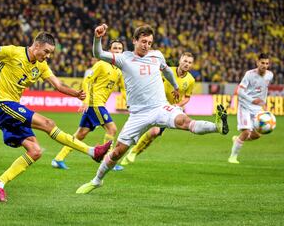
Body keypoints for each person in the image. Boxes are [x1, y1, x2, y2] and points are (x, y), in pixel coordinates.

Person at [0, 32, 111, 202]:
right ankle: (92, 152)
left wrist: (76, 94)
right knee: (48, 123)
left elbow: (57, 84)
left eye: (51, 52)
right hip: (0, 103)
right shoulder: (13, 52)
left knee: (35, 152)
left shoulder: (41, 66)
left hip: (12, 107)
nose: (48, 55)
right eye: (46, 51)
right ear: (36, 46)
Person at [76, 24, 229, 194]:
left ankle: (218, 127)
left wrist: (175, 86)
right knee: (118, 152)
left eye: (149, 42)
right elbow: (98, 54)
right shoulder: (124, 58)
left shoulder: (157, 56)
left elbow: (167, 71)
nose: (146, 45)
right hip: (138, 114)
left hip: (160, 107)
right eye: (143, 41)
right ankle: (97, 181)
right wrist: (98, 38)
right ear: (134, 41)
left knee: (185, 121)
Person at [51, 40, 126, 171]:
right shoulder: (101, 64)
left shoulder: (119, 70)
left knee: (81, 134)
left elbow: (123, 88)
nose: (118, 50)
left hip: (98, 104)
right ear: (109, 50)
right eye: (115, 48)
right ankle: (107, 161)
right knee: (112, 129)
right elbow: (87, 80)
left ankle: (58, 159)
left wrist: (128, 102)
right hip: (94, 103)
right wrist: (85, 100)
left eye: (120, 48)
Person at [121, 52, 195, 165]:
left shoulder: (191, 80)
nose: (187, 64)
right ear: (180, 60)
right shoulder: (167, 71)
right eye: (185, 61)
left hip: (169, 110)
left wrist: (178, 105)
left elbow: (187, 97)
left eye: (189, 62)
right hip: (154, 104)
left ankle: (133, 152)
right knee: (152, 131)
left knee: (154, 134)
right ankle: (127, 150)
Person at [228, 53, 273, 164]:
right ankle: (232, 157)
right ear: (257, 62)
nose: (264, 65)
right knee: (246, 131)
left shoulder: (270, 75)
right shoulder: (249, 74)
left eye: (267, 63)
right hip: (245, 106)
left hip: (257, 108)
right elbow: (239, 91)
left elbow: (264, 91)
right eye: (262, 63)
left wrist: (264, 105)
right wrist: (252, 100)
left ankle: (237, 140)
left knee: (257, 135)